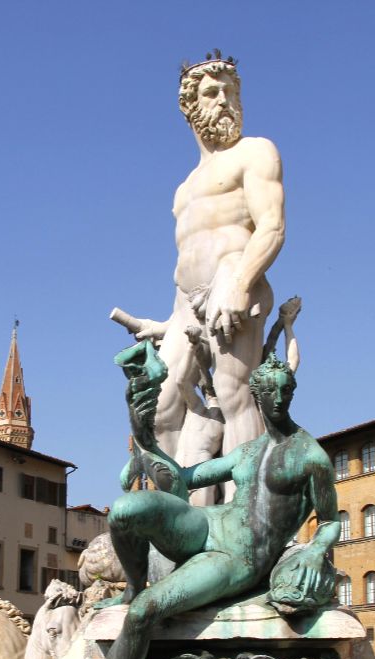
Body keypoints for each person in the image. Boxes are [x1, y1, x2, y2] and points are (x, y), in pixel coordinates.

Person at [43, 353, 339, 659]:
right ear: (257, 395)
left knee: (145, 612)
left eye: (285, 391)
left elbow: (329, 521)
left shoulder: (311, 456)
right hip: (209, 524)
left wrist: (316, 550)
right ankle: (131, 584)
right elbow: (181, 479)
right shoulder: (248, 452)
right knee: (127, 510)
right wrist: (140, 430)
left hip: (238, 556)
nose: (279, 399)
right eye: (270, 392)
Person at [112, 53, 286, 487]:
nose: (224, 99)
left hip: (235, 279)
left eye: (231, 91)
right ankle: (178, 526)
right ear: (190, 106)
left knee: (235, 395)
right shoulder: (184, 189)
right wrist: (168, 323)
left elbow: (272, 225)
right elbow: (187, 262)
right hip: (187, 304)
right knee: (162, 407)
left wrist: (240, 283)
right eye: (212, 92)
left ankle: (248, 516)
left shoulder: (255, 151)